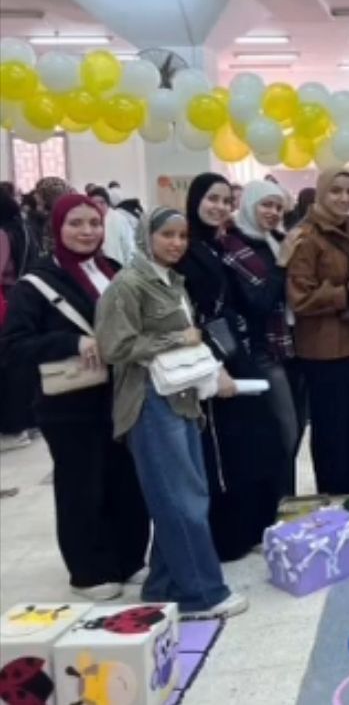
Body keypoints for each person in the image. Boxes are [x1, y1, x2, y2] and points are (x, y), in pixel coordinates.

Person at [96, 207, 248, 619]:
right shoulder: (128, 285)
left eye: (182, 236)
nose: (177, 243)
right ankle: (202, 594)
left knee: (184, 494)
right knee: (182, 499)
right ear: (147, 236)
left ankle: (163, 585)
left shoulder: (172, 281)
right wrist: (175, 339)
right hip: (148, 401)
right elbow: (113, 346)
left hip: (180, 397)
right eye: (167, 235)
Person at [0, 194, 150, 600]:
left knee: (125, 480)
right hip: (69, 404)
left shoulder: (112, 269)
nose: (87, 231)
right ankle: (89, 570)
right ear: (57, 228)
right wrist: (71, 341)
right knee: (82, 485)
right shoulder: (36, 284)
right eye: (76, 224)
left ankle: (129, 558)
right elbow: (13, 346)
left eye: (94, 223)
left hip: (120, 395)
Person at [177, 174, 286, 560]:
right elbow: (188, 313)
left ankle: (253, 527)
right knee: (226, 450)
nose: (220, 207)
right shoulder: (186, 248)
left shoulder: (216, 245)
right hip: (209, 360)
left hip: (235, 353)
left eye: (226, 200)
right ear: (195, 200)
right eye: (212, 199)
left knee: (254, 441)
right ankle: (228, 538)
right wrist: (212, 363)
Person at [286, 168, 349, 495]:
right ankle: (332, 502)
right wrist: (346, 292)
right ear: (321, 193)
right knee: (332, 434)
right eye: (335, 191)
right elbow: (299, 298)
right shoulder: (305, 236)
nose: (344, 198)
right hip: (323, 350)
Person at [223, 179, 302, 496]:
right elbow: (258, 304)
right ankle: (277, 500)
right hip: (261, 352)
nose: (273, 212)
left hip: (290, 347)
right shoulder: (234, 247)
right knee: (285, 431)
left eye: (278, 207)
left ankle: (286, 498)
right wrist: (282, 265)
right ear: (249, 205)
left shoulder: (277, 239)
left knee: (294, 431)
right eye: (266, 205)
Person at [1, 183, 39, 451]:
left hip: (7, 298)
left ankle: (14, 427)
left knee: (8, 366)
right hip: (22, 294)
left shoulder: (3, 233)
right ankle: (27, 421)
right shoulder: (23, 227)